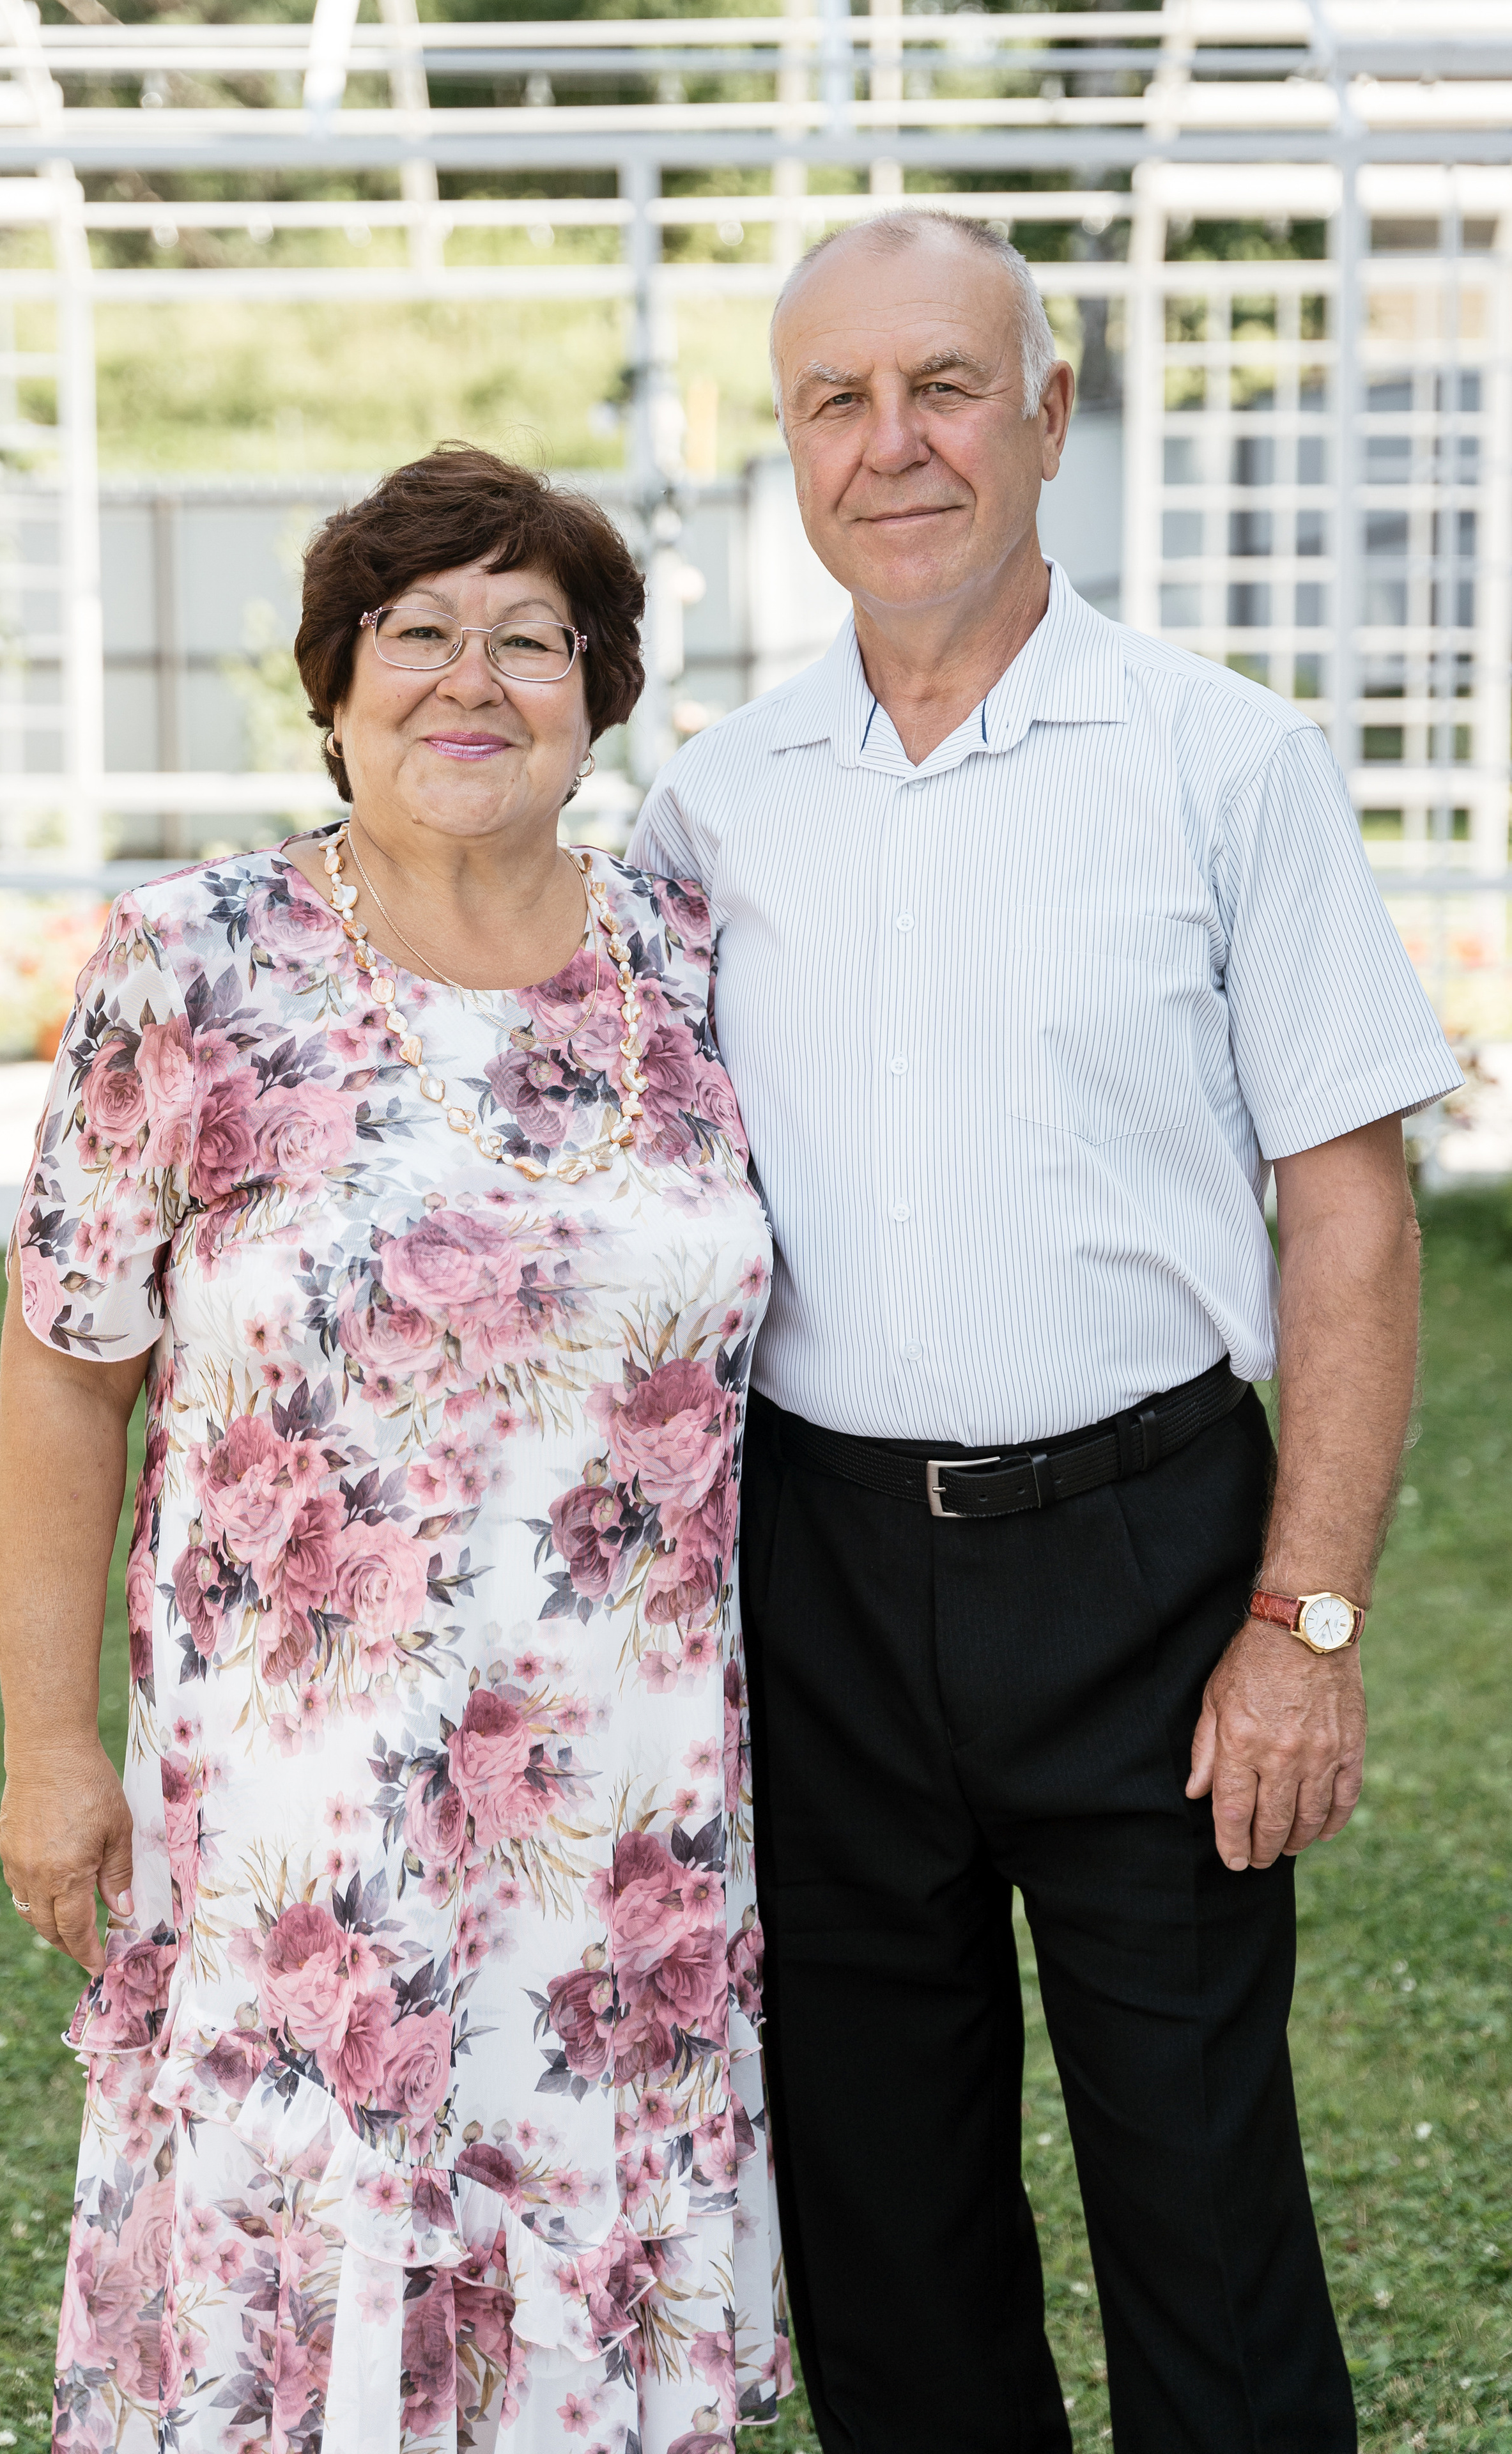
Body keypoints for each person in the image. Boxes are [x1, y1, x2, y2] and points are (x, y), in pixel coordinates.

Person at [630, 212, 1462, 2454]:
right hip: (809, 1582)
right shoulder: (713, 805)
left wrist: (1306, 1618)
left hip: (1146, 1567)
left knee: (1202, 2213)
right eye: (837, 402)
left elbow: (1355, 1223)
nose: (891, 446)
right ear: (787, 451)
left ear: (1053, 414)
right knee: (886, 2236)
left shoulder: (1226, 760)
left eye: (945, 388)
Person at [0, 443, 789, 2454]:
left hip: (626, 1812)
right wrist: (49, 1744)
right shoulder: (193, 966)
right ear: (333, 686)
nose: (472, 681)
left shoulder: (699, 958)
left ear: (602, 695)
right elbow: (68, 1373)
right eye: (414, 634)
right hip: (296, 1825)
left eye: (534, 640)